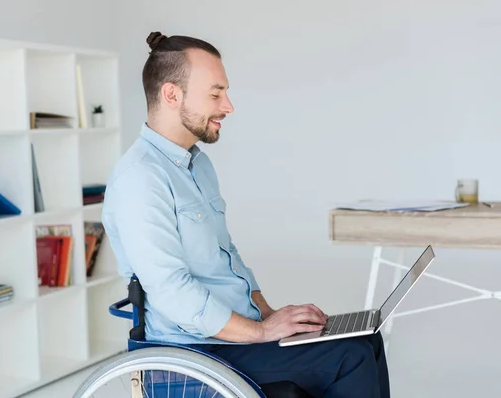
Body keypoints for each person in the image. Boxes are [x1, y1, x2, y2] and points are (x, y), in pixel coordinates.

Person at [101, 31, 390, 398]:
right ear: (172, 95)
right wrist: (261, 333)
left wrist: (268, 315)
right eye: (215, 93)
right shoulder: (140, 178)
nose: (228, 106)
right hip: (199, 350)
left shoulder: (198, 166)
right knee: (350, 357)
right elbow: (171, 291)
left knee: (367, 339)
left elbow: (228, 255)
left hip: (238, 336)